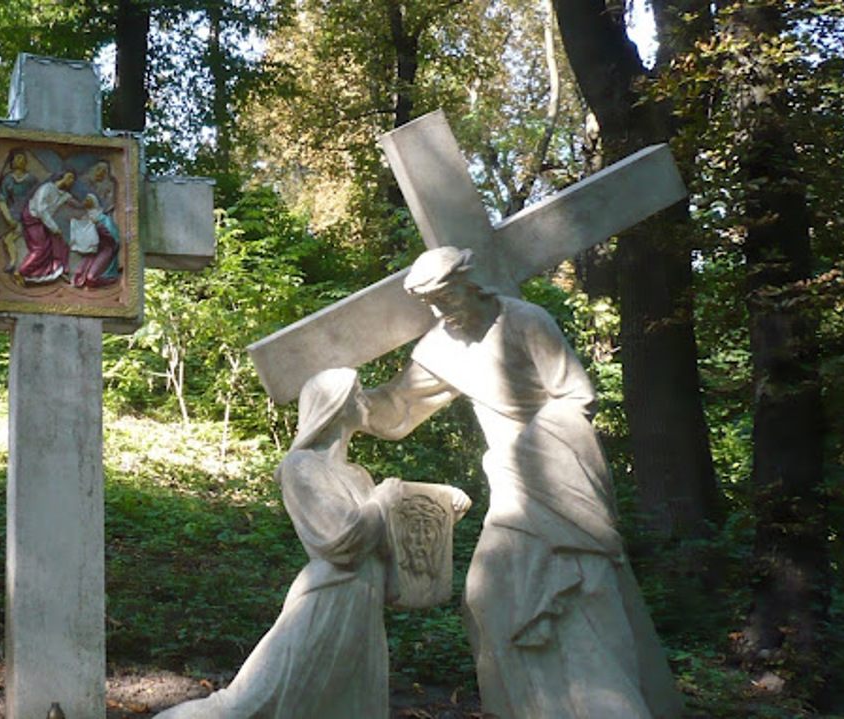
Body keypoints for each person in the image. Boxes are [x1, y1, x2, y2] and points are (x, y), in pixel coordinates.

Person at [365, 246, 684, 719]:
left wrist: (525, 449)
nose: (441, 310)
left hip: (557, 475)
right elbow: (400, 406)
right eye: (430, 302)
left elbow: (577, 397)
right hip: (512, 485)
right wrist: (342, 406)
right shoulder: (440, 349)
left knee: (580, 593)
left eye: (445, 296)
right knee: (486, 595)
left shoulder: (526, 321)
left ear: (469, 282)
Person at [155, 367, 471, 719]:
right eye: (357, 393)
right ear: (334, 406)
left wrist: (442, 507)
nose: (365, 399)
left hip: (364, 601)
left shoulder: (359, 475)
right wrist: (384, 501)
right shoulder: (301, 466)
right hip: (328, 597)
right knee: (252, 702)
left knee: (351, 706)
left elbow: (387, 539)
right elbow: (342, 541)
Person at [16, 170, 80, 284]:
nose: (71, 181)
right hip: (33, 217)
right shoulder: (47, 188)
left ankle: (55, 271)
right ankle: (21, 271)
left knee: (55, 244)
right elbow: (41, 210)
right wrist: (54, 228)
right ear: (61, 176)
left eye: (73, 180)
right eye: (69, 177)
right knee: (40, 248)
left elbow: (76, 204)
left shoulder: (64, 194)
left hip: (43, 220)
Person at [0, 149, 38, 273]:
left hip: (29, 215)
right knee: (8, 239)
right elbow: (2, 200)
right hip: (13, 215)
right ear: (12, 162)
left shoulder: (31, 179)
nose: (21, 160)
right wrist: (8, 218)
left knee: (13, 239)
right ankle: (14, 262)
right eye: (18, 158)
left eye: (23, 158)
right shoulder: (8, 179)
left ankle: (18, 263)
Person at [71, 194, 121, 289]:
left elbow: (113, 239)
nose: (86, 202)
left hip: (105, 249)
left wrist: (98, 225)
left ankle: (112, 281)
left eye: (88, 200)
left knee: (91, 277)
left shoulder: (104, 218)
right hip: (92, 251)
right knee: (78, 275)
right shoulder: (86, 218)